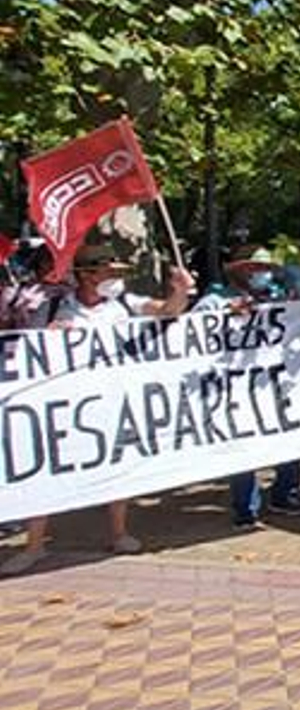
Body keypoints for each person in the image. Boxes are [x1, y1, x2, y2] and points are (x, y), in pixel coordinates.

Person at [2, 244, 195, 576]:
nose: (117, 278)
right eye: (110, 272)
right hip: (63, 405)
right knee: (47, 471)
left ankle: (119, 534)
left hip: (110, 401)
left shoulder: (125, 304)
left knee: (115, 466)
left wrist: (180, 292)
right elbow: (25, 350)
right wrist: (48, 336)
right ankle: (34, 545)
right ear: (87, 276)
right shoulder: (53, 308)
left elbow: (167, 311)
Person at [195, 246, 300, 530]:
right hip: (234, 386)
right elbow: (192, 332)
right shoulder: (214, 301)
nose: (260, 274)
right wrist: (226, 315)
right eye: (254, 268)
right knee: (242, 445)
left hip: (275, 381)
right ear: (238, 271)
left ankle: (285, 494)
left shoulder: (279, 299)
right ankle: (245, 508)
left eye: (264, 269)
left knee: (289, 436)